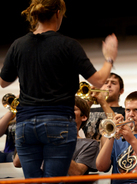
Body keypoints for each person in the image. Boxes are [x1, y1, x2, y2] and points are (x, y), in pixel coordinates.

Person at [0, 0, 118, 179]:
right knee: (54, 181)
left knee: (32, 182)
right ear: (57, 13)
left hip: (25, 124)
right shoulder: (67, 45)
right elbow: (99, 80)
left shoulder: (18, 45)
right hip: (58, 122)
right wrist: (109, 58)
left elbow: (3, 82)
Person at [14, 96, 99, 178]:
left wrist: (55, 139)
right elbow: (17, 162)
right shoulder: (42, 135)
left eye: (71, 109)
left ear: (83, 117)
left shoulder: (90, 144)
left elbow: (76, 173)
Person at [83, 72, 125, 141]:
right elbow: (75, 121)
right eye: (105, 83)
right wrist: (89, 101)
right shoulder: (90, 110)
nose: (109, 85)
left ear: (121, 91)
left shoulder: (125, 112)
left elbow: (118, 129)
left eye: (113, 83)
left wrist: (102, 101)